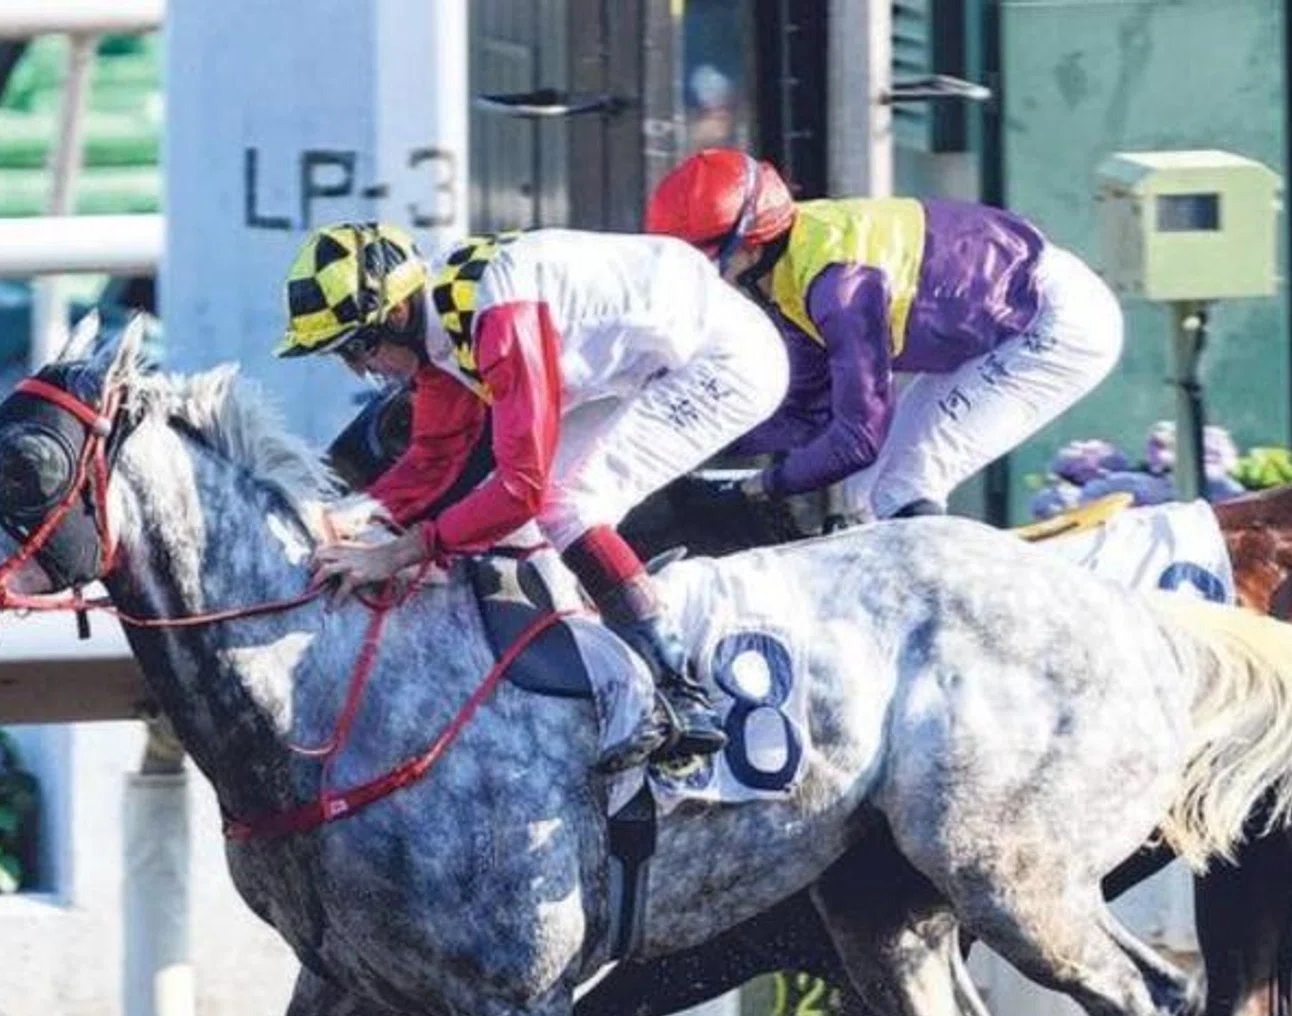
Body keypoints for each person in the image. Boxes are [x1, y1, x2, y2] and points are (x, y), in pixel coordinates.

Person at [275, 220, 789, 770]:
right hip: (646, 360)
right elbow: (433, 460)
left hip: (722, 362)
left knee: (562, 504)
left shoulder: (496, 322)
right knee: (521, 515)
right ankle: (591, 659)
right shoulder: (438, 323)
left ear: (396, 313)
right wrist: (338, 521)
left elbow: (521, 489)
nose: (360, 369)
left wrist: (397, 553)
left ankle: (679, 696)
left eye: (357, 348)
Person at [644, 149, 1125, 523]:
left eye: (701, 260)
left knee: (903, 483)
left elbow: (858, 440)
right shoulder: (789, 262)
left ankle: (952, 615)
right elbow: (808, 414)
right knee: (864, 495)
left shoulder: (838, 289)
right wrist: (686, 441)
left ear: (750, 245)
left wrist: (758, 488)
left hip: (1058, 322)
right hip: (1011, 312)